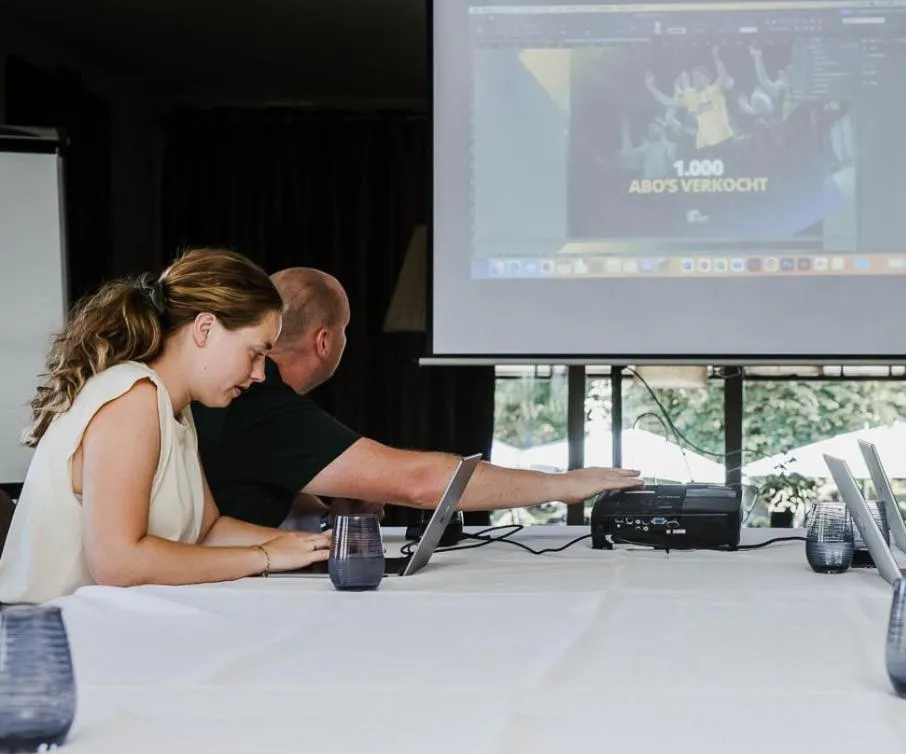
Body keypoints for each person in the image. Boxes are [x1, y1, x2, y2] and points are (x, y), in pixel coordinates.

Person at [0, 249, 331, 604]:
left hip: (97, 628)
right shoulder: (133, 398)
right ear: (205, 329)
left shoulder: (174, 408)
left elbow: (207, 531)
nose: (259, 375)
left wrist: (297, 545)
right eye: (255, 353)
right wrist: (264, 557)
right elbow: (116, 563)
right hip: (53, 640)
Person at [193, 268, 642, 528]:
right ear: (325, 341)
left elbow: (243, 486)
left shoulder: (255, 405)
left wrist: (330, 504)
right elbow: (421, 483)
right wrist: (563, 486)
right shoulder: (262, 403)